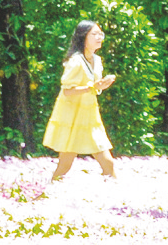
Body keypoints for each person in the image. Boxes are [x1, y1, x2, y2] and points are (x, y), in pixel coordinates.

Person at [44, 21, 118, 181]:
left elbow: (93, 87)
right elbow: (68, 91)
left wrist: (101, 86)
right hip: (72, 119)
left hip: (90, 118)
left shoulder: (97, 60)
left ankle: (115, 199)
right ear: (83, 37)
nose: (99, 38)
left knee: (108, 163)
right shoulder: (75, 61)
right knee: (64, 165)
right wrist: (92, 87)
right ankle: (46, 194)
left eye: (101, 34)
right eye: (94, 34)